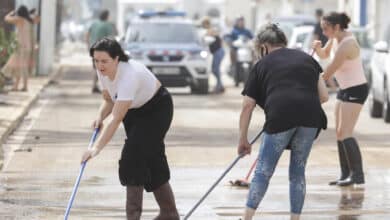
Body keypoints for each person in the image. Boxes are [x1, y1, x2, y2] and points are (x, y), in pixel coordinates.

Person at [81, 38, 179, 220]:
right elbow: (109, 99)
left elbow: (116, 119)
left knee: (132, 156)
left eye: (104, 61)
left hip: (157, 108)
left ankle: (136, 216)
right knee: (150, 155)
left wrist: (95, 149)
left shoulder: (129, 75)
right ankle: (169, 214)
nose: (100, 66)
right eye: (96, 61)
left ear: (117, 58)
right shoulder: (102, 71)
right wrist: (99, 116)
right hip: (133, 109)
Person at [238, 24, 328, 220]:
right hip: (310, 118)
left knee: (263, 170)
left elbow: (247, 106)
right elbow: (324, 96)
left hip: (280, 116)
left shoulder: (261, 65)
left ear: (263, 46)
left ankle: (246, 218)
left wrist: (243, 139)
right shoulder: (307, 59)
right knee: (298, 172)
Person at [312, 12, 368, 187]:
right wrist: (318, 48)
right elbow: (323, 55)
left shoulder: (347, 45)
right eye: (322, 29)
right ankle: (345, 174)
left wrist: (306, 80)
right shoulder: (335, 38)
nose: (324, 32)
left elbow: (328, 71)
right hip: (344, 89)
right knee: (339, 133)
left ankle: (357, 175)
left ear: (337, 27)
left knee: (346, 132)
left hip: (356, 90)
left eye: (326, 29)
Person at [2, 5, 39, 91]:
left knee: (21, 67)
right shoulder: (29, 21)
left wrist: (11, 13)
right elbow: (36, 18)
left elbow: (6, 18)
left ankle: (25, 87)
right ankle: (16, 86)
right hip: (27, 47)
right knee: (19, 66)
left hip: (21, 47)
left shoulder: (19, 19)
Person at [86, 10, 115, 93]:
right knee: (103, 68)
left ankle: (94, 85)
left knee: (96, 67)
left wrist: (88, 45)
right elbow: (111, 38)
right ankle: (104, 87)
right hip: (102, 50)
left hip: (93, 48)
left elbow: (87, 34)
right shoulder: (108, 25)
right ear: (107, 16)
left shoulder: (94, 23)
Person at [313, 8, 337, 92]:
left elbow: (315, 37)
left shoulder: (318, 24)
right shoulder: (332, 40)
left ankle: (333, 89)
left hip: (322, 50)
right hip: (323, 50)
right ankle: (334, 89)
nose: (323, 32)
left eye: (325, 29)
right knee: (326, 70)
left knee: (324, 71)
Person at [201, 17, 225, 93]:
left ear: (206, 24)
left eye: (203, 24)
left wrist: (204, 36)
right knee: (215, 69)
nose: (203, 26)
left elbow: (206, 36)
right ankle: (220, 85)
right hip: (217, 52)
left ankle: (219, 86)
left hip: (218, 51)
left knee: (215, 69)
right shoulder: (210, 30)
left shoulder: (211, 30)